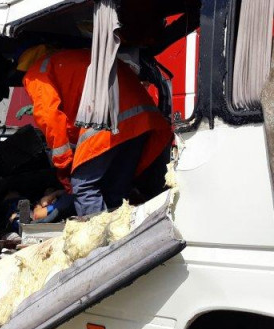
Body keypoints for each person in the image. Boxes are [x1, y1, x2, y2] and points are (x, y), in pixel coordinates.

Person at [18, 46, 173, 215]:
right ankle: (118, 235)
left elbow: (50, 118)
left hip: (109, 118)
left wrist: (64, 165)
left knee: (84, 186)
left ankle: (97, 238)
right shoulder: (71, 59)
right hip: (140, 120)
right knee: (115, 187)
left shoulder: (36, 74)